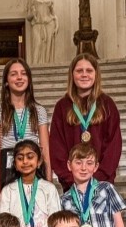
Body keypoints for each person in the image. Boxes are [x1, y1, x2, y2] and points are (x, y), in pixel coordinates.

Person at [50, 54, 121, 191]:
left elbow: (113, 146)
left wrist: (97, 180)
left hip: (102, 185)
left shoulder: (107, 104)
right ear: (72, 75)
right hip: (72, 186)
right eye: (79, 71)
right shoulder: (62, 106)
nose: (84, 75)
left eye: (89, 70)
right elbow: (57, 147)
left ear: (96, 74)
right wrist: (71, 179)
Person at [0, 58, 51, 185]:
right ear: (6, 81)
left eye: (23, 73)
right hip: (7, 164)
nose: (19, 77)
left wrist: (49, 180)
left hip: (33, 162)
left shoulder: (39, 110)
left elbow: (45, 149)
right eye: (13, 74)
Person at [0, 140, 61, 227]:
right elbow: (4, 222)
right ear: (15, 164)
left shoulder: (49, 188)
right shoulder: (7, 190)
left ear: (39, 162)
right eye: (20, 158)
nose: (25, 161)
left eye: (30, 157)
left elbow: (55, 220)